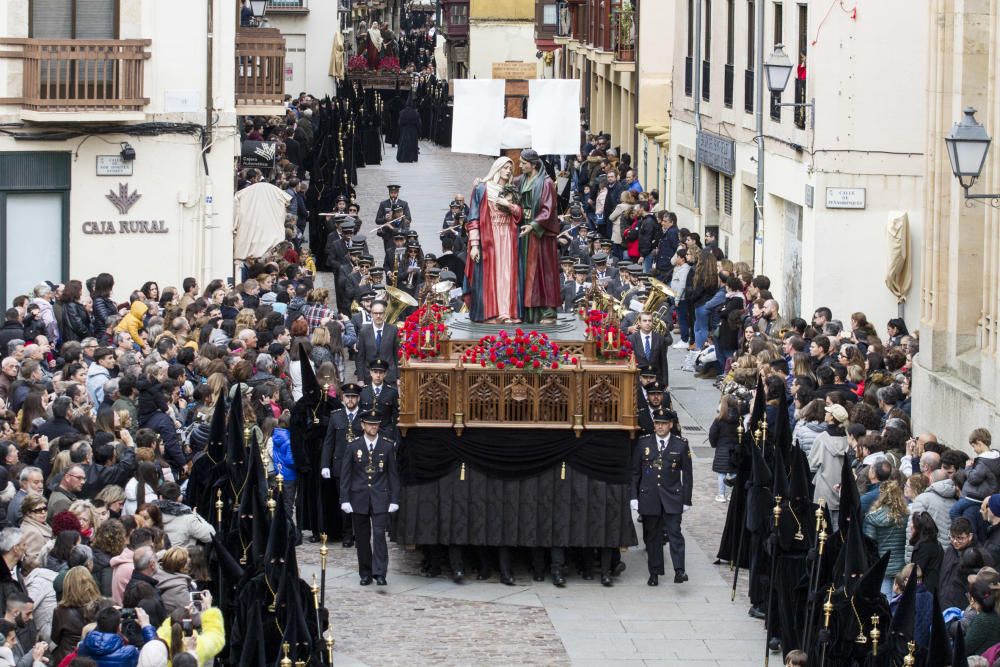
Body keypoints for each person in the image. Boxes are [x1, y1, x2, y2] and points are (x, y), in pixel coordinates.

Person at [630, 408, 692, 586]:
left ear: (670, 425)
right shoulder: (644, 443)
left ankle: (679, 570)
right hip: (650, 497)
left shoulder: (680, 444)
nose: (660, 427)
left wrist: (686, 499)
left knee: (675, 534)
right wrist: (633, 496)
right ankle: (654, 572)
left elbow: (687, 475)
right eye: (657, 423)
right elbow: (635, 472)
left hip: (672, 496)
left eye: (663, 423)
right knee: (653, 536)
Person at [340, 408, 400, 586]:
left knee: (380, 535)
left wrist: (394, 499)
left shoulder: (387, 446)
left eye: (376, 425)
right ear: (363, 425)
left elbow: (393, 476)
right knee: (363, 538)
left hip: (380, 497)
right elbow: (346, 475)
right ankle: (365, 572)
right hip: (359, 497)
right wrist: (344, 499)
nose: (373, 427)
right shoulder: (353, 446)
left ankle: (380, 572)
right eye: (369, 424)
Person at [465, 157, 523, 323]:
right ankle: (490, 312)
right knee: (490, 275)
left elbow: (520, 214)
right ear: (497, 169)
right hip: (489, 237)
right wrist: (474, 245)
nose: (508, 171)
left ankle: (506, 312)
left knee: (507, 274)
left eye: (510, 169)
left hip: (509, 237)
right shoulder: (482, 189)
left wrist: (510, 205)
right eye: (505, 168)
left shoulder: (512, 190)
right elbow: (473, 218)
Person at [515, 149, 562, 324]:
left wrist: (534, 225)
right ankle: (528, 311)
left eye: (523, 163)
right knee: (526, 272)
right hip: (523, 230)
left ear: (533, 164)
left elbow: (548, 210)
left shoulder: (546, 183)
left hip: (540, 234)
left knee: (544, 272)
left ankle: (547, 310)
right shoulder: (521, 180)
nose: (519, 166)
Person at [862, 480, 909, 596]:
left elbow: (870, 544)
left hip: (882, 565)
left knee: (884, 597)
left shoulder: (872, 518)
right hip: (901, 565)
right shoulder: (906, 517)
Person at [77, 605, 157, 666]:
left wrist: (106, 617)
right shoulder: (129, 652)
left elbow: (99, 632)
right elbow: (153, 654)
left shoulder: (83, 647)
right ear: (119, 627)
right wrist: (146, 625)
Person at [355, 301, 399, 385]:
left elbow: (396, 355)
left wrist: (398, 377)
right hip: (369, 377)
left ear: (384, 314)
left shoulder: (393, 330)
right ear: (371, 314)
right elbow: (360, 357)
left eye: (380, 313)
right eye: (375, 313)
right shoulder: (363, 331)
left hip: (389, 377)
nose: (378, 316)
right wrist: (360, 379)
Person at [708, 395, 740, 503]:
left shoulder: (719, 419)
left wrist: (714, 444)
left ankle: (721, 494)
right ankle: (733, 494)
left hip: (722, 448)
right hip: (735, 448)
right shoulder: (739, 419)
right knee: (734, 472)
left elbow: (712, 434)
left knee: (721, 474)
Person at [396, 98, 420, 163]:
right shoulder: (415, 113)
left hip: (404, 130)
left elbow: (400, 122)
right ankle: (412, 157)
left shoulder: (402, 112)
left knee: (403, 143)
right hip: (413, 130)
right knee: (412, 144)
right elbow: (418, 123)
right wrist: (418, 131)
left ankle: (402, 157)